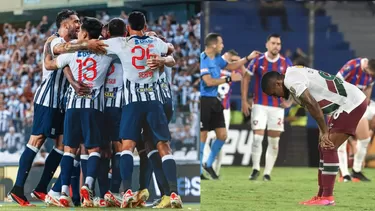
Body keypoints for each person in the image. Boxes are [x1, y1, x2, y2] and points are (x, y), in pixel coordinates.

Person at [7, 9, 105, 207]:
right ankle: (17, 188)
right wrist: (87, 43)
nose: (78, 24)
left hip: (62, 102)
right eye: (75, 21)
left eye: (79, 22)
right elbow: (61, 52)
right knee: (37, 139)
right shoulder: (54, 40)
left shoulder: (74, 44)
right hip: (48, 100)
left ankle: (43, 188)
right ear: (65, 24)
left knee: (64, 145)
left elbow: (68, 66)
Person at [102, 11, 182, 208]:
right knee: (163, 146)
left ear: (128, 28)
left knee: (127, 145)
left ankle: (128, 191)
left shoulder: (122, 43)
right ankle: (173, 194)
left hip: (133, 103)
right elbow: (171, 51)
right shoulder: (155, 43)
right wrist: (163, 58)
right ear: (145, 27)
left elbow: (97, 44)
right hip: (154, 102)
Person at [261, 65, 367, 206]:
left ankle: (328, 197)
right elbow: (315, 108)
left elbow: (313, 104)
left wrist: (324, 132)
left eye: (274, 93)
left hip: (351, 103)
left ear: (278, 83)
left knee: (329, 146)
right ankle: (321, 195)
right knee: (323, 147)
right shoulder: (293, 75)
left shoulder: (291, 81)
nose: (276, 97)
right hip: (345, 103)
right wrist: (322, 131)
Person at [44, 16, 113, 207]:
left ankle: (64, 192)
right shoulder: (105, 50)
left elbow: (49, 64)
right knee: (93, 149)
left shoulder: (72, 49)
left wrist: (46, 50)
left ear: (84, 33)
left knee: (69, 150)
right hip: (93, 107)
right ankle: (88, 186)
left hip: (73, 106)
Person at [200, 32, 260, 179]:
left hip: (215, 102)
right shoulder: (202, 59)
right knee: (203, 137)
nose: (222, 45)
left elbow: (232, 65)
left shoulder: (216, 59)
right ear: (214, 45)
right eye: (221, 43)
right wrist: (228, 78)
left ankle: (208, 164)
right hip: (204, 101)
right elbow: (208, 82)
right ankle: (200, 169)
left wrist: (247, 58)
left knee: (222, 135)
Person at [241, 33, 292, 181]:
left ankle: (267, 173)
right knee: (257, 138)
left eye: (278, 44)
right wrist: (244, 100)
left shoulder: (285, 62)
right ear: (267, 44)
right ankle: (255, 168)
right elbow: (246, 77)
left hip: (277, 107)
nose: (276, 46)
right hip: (259, 105)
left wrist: (289, 101)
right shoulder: (258, 60)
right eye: (273, 43)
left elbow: (295, 82)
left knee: (274, 141)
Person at [203, 49, 247, 178]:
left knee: (219, 139)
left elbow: (246, 76)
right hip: (213, 107)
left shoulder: (223, 67)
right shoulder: (217, 64)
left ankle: (213, 169)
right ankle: (208, 166)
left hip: (222, 109)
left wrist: (240, 63)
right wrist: (240, 63)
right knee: (208, 138)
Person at [335, 58, 375, 182]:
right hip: (341, 105)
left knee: (364, 139)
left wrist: (366, 104)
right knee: (342, 140)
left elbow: (368, 88)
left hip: (357, 106)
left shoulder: (371, 74)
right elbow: (335, 82)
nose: (371, 76)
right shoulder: (352, 65)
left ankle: (356, 171)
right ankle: (345, 174)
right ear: (367, 66)